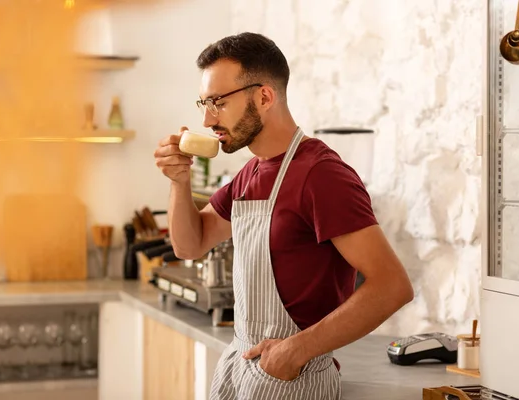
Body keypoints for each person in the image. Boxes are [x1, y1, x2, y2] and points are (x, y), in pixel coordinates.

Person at [154, 32, 414, 400]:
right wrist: (178, 182)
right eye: (203, 103)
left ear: (263, 97)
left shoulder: (322, 174)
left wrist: (295, 351)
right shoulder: (251, 173)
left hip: (294, 379)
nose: (209, 119)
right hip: (240, 370)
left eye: (217, 102)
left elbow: (392, 286)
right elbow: (190, 244)